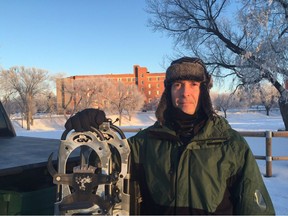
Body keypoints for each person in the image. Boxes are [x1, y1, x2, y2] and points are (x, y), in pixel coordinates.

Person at [65, 57, 275, 215]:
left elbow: (255, 208)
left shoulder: (231, 145)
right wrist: (92, 132)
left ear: (203, 92)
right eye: (178, 85)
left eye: (193, 85)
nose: (185, 93)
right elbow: (105, 165)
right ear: (169, 93)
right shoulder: (144, 143)